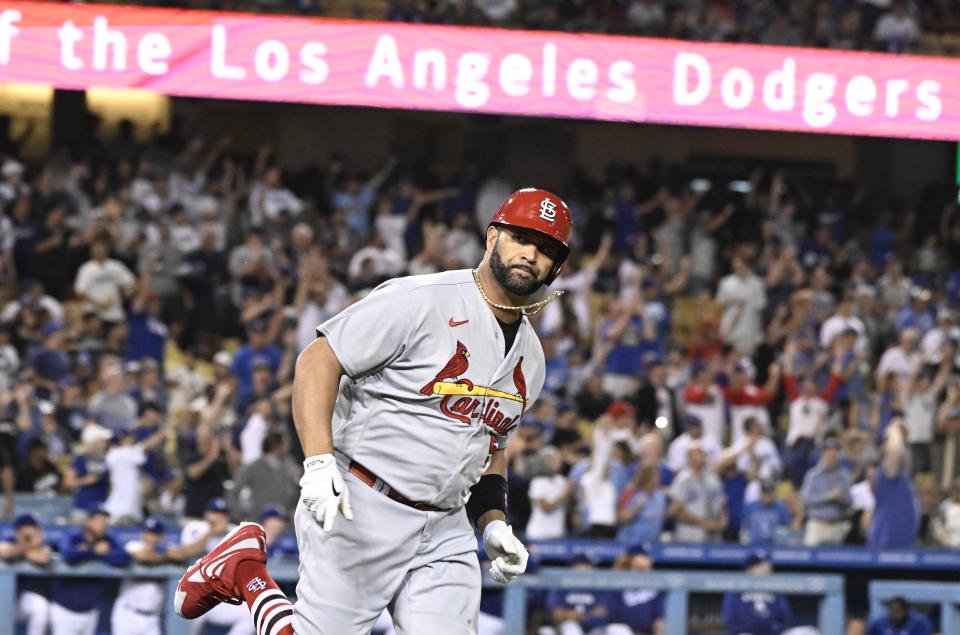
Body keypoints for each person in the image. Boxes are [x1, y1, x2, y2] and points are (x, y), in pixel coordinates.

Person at [174, 188, 573, 634]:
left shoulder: (533, 360)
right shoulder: (421, 299)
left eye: (545, 249)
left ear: (556, 267)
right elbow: (318, 360)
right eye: (521, 238)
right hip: (363, 501)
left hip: (445, 527)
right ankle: (245, 573)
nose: (530, 254)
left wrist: (493, 524)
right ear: (492, 236)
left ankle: (244, 570)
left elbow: (489, 446)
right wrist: (319, 460)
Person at [52, 504, 132, 635]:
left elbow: (124, 558)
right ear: (88, 522)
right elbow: (68, 555)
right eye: (99, 521)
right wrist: (93, 550)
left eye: (105, 522)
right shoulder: (73, 537)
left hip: (90, 612)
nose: (103, 525)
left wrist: (102, 553)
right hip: (65, 611)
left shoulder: (108, 540)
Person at [868, 421, 920, 549]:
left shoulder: (901, 476)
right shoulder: (885, 474)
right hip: (887, 545)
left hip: (901, 545)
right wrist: (894, 428)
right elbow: (895, 452)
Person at [0, 512, 52, 635]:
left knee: (40, 608)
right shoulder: (8, 541)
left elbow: (43, 557)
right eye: (33, 528)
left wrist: (24, 548)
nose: (36, 531)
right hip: (3, 598)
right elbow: (5, 553)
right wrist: (28, 545)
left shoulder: (43, 546)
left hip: (23, 601)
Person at [722, 549, 793, 635]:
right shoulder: (736, 591)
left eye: (767, 564)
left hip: (774, 633)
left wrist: (775, 629)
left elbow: (786, 619)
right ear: (749, 569)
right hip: (747, 633)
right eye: (760, 565)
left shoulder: (775, 590)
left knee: (807, 631)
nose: (767, 568)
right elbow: (731, 621)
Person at [669, 442, 727, 543]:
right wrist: (704, 523)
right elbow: (677, 511)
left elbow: (722, 505)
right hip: (690, 537)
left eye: (704, 453)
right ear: (689, 457)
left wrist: (723, 520)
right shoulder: (683, 479)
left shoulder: (714, 479)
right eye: (699, 452)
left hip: (714, 537)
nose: (704, 455)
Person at [801, 437, 853, 546]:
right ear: (822, 455)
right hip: (817, 524)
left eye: (834, 454)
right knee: (810, 561)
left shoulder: (844, 476)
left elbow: (850, 502)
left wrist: (841, 499)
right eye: (828, 454)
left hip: (837, 524)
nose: (831, 457)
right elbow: (806, 499)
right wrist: (828, 496)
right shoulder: (813, 475)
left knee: (837, 561)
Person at [607, 543, 665, 635]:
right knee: (617, 629)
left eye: (647, 557)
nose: (649, 560)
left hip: (646, 632)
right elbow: (608, 615)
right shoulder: (617, 583)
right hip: (620, 630)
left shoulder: (657, 587)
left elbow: (660, 619)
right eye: (643, 557)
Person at [866, 597, 932, 635]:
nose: (894, 615)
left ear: (906, 610)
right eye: (892, 611)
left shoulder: (919, 622)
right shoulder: (878, 622)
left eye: (898, 611)